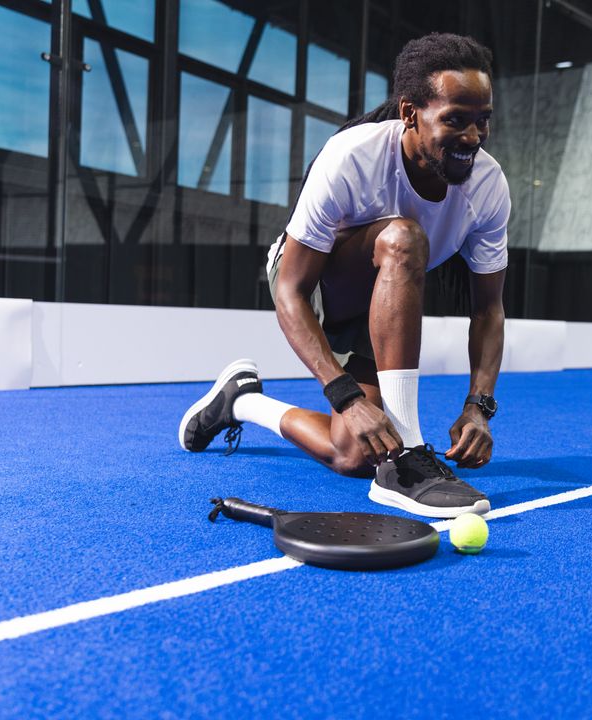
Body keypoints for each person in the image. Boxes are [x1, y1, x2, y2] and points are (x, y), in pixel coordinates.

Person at [178, 33, 509, 519]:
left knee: (353, 455)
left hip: (378, 297)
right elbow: (290, 290)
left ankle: (242, 403)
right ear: (410, 113)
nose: (474, 138)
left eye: (483, 122)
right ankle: (407, 459)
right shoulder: (352, 157)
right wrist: (344, 394)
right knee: (404, 238)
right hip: (313, 283)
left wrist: (480, 405)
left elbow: (488, 308)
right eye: (455, 120)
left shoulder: (488, 186)